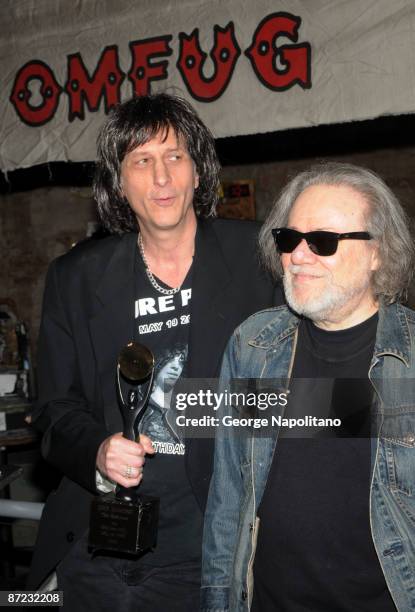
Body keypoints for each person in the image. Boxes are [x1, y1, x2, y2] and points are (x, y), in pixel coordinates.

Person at [28, 93, 281, 610]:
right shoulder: (75, 276)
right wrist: (97, 451)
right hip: (99, 549)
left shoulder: (262, 260)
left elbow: (311, 397)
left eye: (174, 157)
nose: (161, 178)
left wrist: (199, 408)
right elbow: (54, 409)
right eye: (141, 161)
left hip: (216, 547)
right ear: (119, 183)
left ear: (197, 171)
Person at [201, 162, 415, 612]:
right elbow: (228, 504)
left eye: (322, 241)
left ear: (378, 251)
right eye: (288, 238)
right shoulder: (253, 346)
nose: (298, 255)